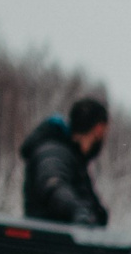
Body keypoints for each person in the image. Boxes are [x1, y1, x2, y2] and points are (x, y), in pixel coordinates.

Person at [20, 97, 110, 228]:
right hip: (52, 242)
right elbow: (53, 184)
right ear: (97, 129)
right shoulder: (54, 152)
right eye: (103, 133)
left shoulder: (73, 158)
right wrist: (78, 211)